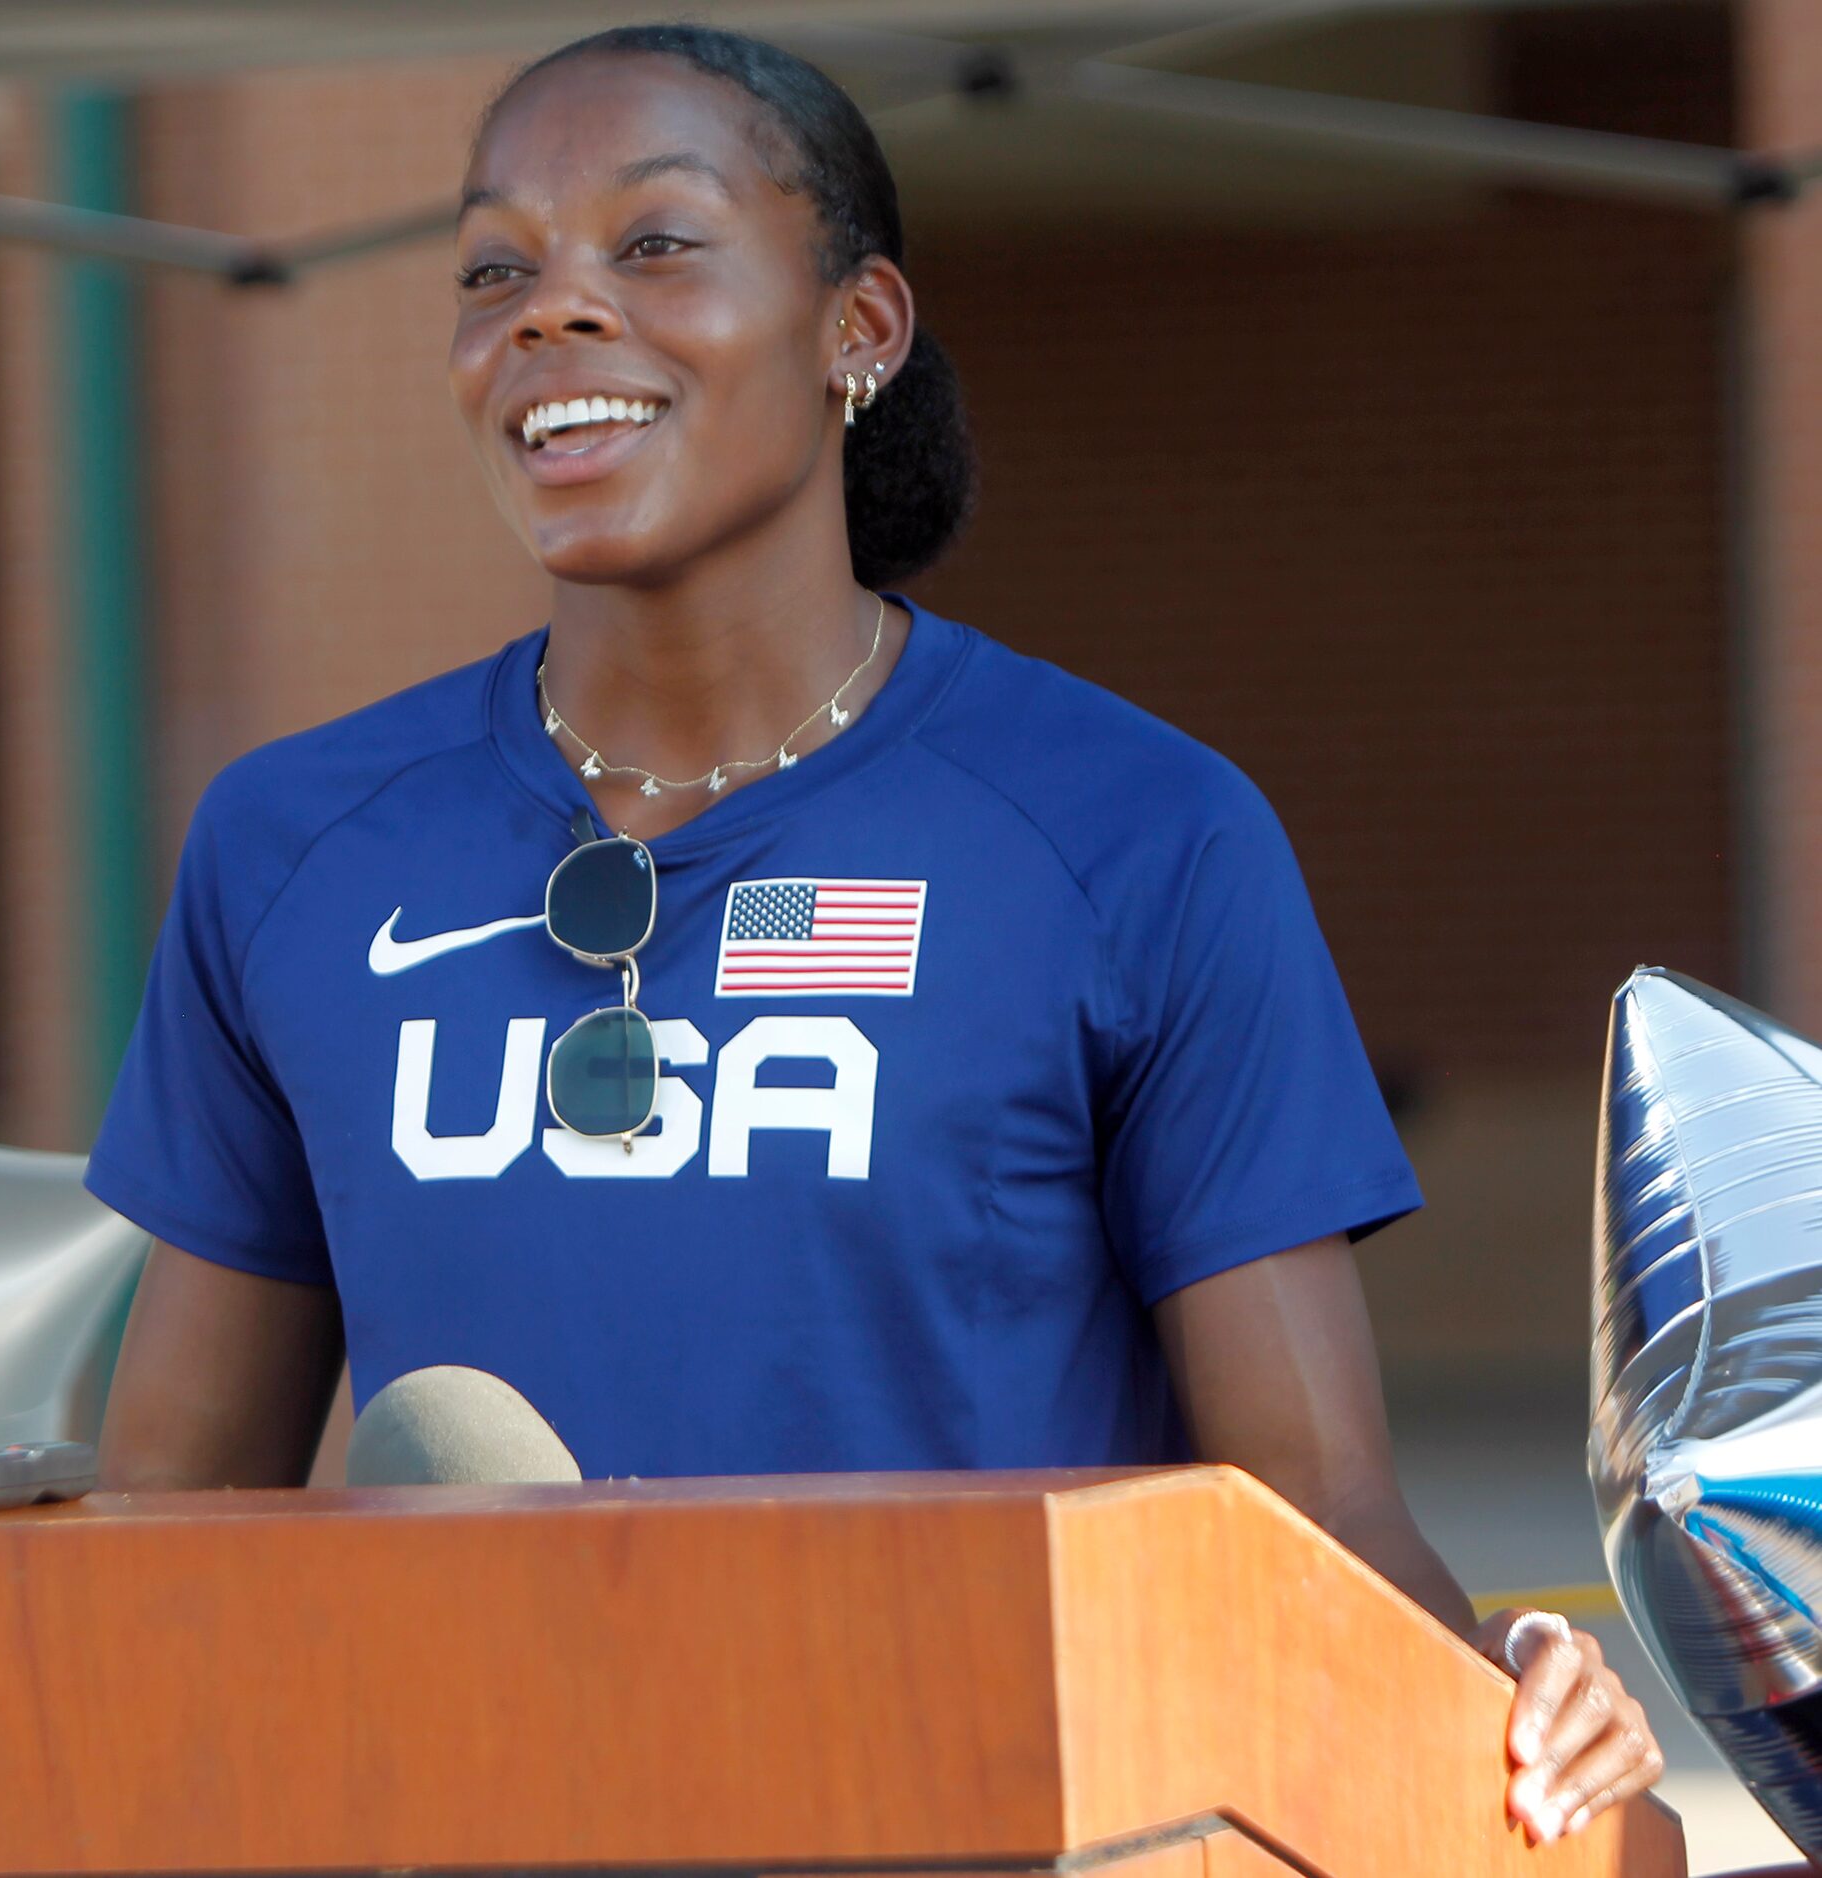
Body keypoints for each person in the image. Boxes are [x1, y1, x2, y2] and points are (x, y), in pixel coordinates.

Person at [83, 21, 1662, 1844]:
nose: (551, 311)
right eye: (495, 268)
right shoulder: (294, 848)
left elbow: (1307, 1523)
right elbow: (166, 1540)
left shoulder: (1137, 833)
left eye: (654, 242)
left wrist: (1517, 1699)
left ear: (863, 330)